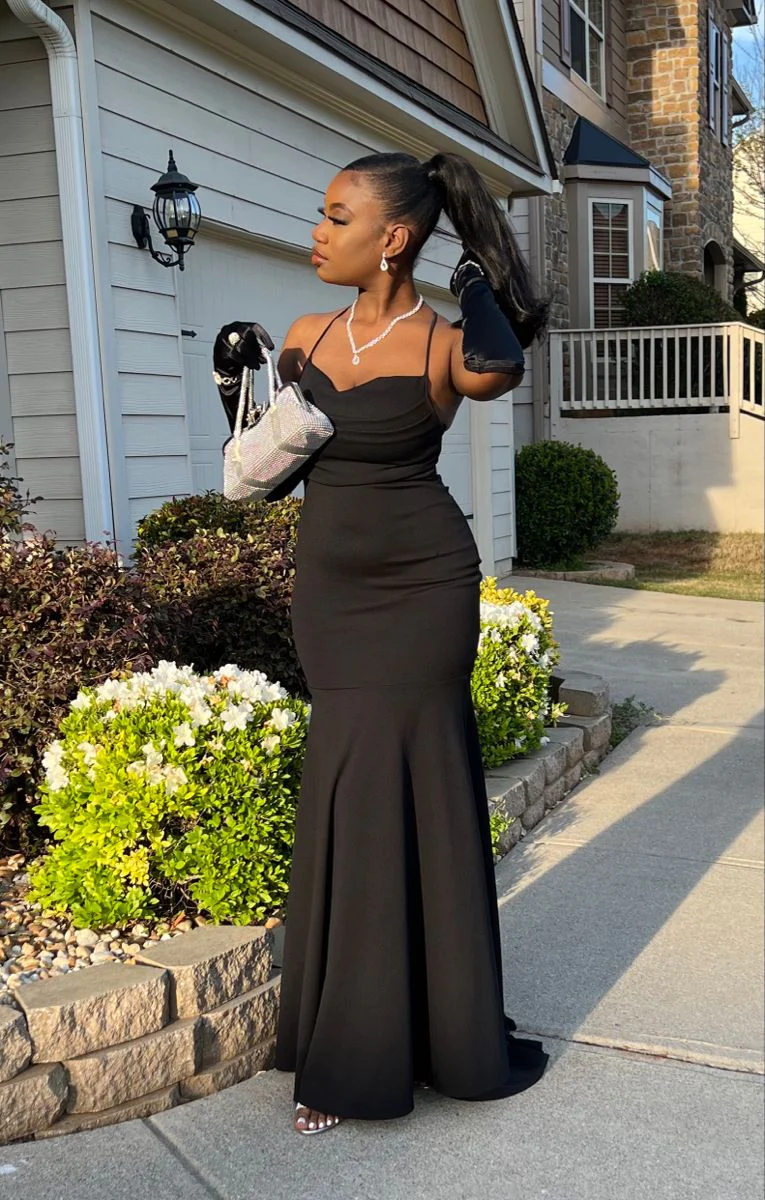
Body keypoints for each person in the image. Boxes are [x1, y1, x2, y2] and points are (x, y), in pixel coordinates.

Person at [212, 151, 550, 1135]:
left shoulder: (444, 345)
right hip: (333, 595)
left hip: (423, 589)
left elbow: (499, 367)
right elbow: (262, 470)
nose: (317, 232)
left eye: (336, 216)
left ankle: (388, 1053)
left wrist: (478, 282)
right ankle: (358, 1033)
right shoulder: (305, 338)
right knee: (349, 791)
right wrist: (230, 380)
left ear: (392, 237)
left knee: (419, 787)